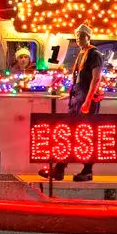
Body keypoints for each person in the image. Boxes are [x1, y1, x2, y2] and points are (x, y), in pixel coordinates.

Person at [39, 24, 103, 182]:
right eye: (77, 36)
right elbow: (79, 78)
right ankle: (60, 169)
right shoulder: (81, 53)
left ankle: (87, 170)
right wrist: (70, 93)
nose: (79, 39)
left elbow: (96, 79)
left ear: (89, 37)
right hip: (77, 97)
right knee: (69, 133)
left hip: (86, 99)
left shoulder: (94, 54)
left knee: (85, 135)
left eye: (82, 36)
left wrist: (87, 101)